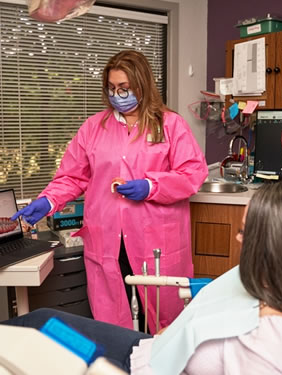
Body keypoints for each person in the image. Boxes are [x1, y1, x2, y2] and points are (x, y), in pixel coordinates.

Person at [4, 181, 282, 374]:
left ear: (269, 244)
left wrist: (153, 185)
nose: (238, 239)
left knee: (44, 334)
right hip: (149, 349)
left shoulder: (276, 344)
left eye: (244, 231)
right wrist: (174, 331)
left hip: (129, 364)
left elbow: (190, 175)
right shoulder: (257, 280)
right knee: (44, 323)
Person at [11, 50, 208, 333]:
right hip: (108, 241)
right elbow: (72, 175)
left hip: (155, 241)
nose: (118, 95)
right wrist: (48, 200)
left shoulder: (171, 125)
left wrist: (151, 186)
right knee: (112, 323)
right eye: (112, 88)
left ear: (142, 86)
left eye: (125, 89)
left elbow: (192, 174)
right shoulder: (94, 128)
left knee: (166, 323)